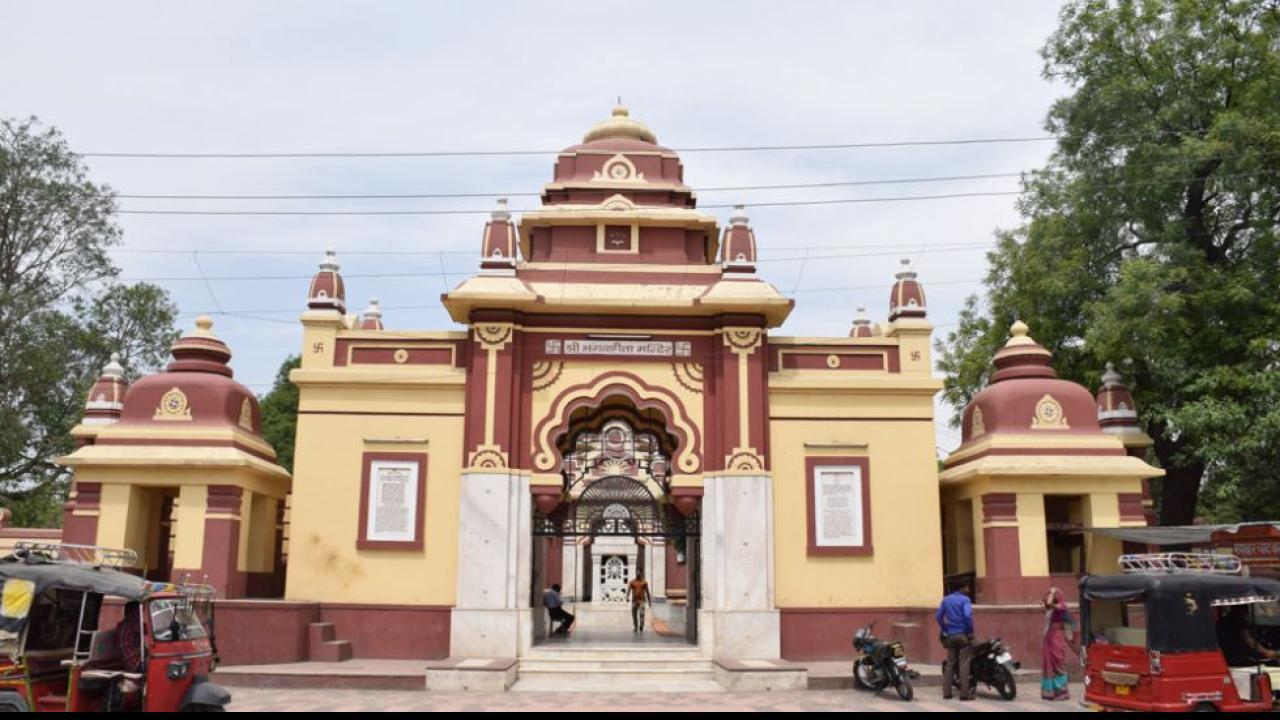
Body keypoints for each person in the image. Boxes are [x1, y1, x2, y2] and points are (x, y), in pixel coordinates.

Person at [936, 580, 974, 701]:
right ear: (961, 588)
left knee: (950, 664)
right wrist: (969, 631)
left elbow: (938, 616)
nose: (968, 590)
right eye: (966, 587)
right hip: (962, 635)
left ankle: (947, 693)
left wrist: (944, 627)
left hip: (951, 635)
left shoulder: (946, 600)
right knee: (964, 665)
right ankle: (964, 694)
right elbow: (967, 616)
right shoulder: (965, 600)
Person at [1041, 587, 1077, 701]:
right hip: (1049, 637)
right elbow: (1047, 603)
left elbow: (1050, 603)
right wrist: (1049, 593)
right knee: (1048, 664)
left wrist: (1052, 592)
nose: (1051, 595)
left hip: (1056, 638)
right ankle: (1049, 692)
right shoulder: (1051, 609)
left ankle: (1062, 692)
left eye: (1054, 594)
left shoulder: (1061, 606)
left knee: (1058, 664)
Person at [115, 601, 143, 672]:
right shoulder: (129, 625)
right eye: (138, 612)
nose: (140, 614)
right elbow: (148, 632)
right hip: (135, 663)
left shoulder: (125, 624)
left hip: (134, 661)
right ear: (132, 613)